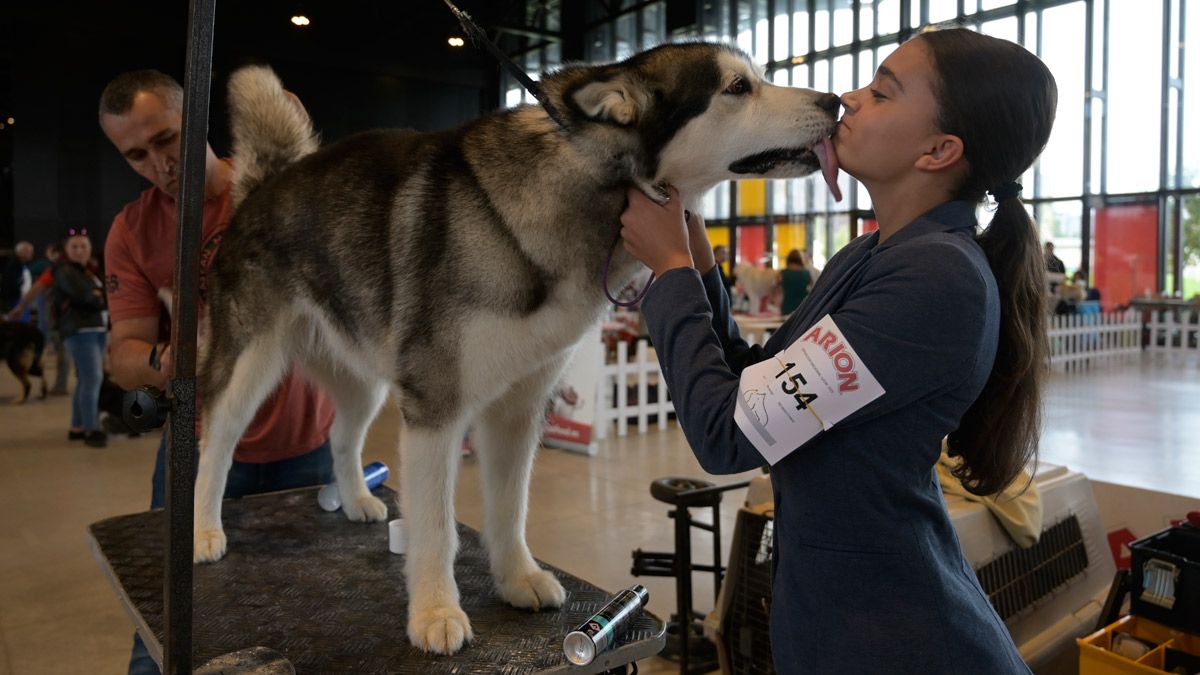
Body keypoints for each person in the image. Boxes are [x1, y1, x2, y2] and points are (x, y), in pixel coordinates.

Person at [619, 27, 1053, 673]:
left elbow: (727, 433)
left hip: (894, 636)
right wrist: (700, 269)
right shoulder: (871, 255)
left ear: (938, 149)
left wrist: (671, 273)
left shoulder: (938, 280)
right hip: (833, 614)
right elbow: (756, 387)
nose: (848, 98)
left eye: (881, 92)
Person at [97, 69, 336, 675]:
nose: (159, 163)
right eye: (136, 154)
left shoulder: (273, 186)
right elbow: (122, 353)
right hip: (199, 452)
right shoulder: (133, 230)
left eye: (166, 138)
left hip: (307, 448)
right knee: (167, 622)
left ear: (197, 118)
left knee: (309, 610)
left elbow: (287, 112)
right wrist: (167, 361)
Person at [51, 229, 108, 446]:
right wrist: (98, 295)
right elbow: (85, 297)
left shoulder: (88, 272)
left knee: (85, 380)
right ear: (66, 250)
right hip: (80, 331)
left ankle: (77, 426)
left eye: (83, 246)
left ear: (90, 248)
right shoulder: (64, 271)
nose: (79, 250)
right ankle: (91, 430)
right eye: (74, 246)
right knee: (93, 379)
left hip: (95, 329)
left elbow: (98, 297)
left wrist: (97, 296)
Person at [1, 241, 35, 319]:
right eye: (29, 252)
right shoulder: (13, 266)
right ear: (22, 252)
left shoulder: (22, 265)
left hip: (22, 300)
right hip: (16, 301)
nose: (32, 254)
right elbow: (11, 285)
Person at [777, 248, 812, 315]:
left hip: (787, 309)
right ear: (801, 260)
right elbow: (812, 291)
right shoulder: (807, 274)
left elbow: (776, 292)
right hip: (803, 308)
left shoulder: (782, 274)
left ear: (788, 260)